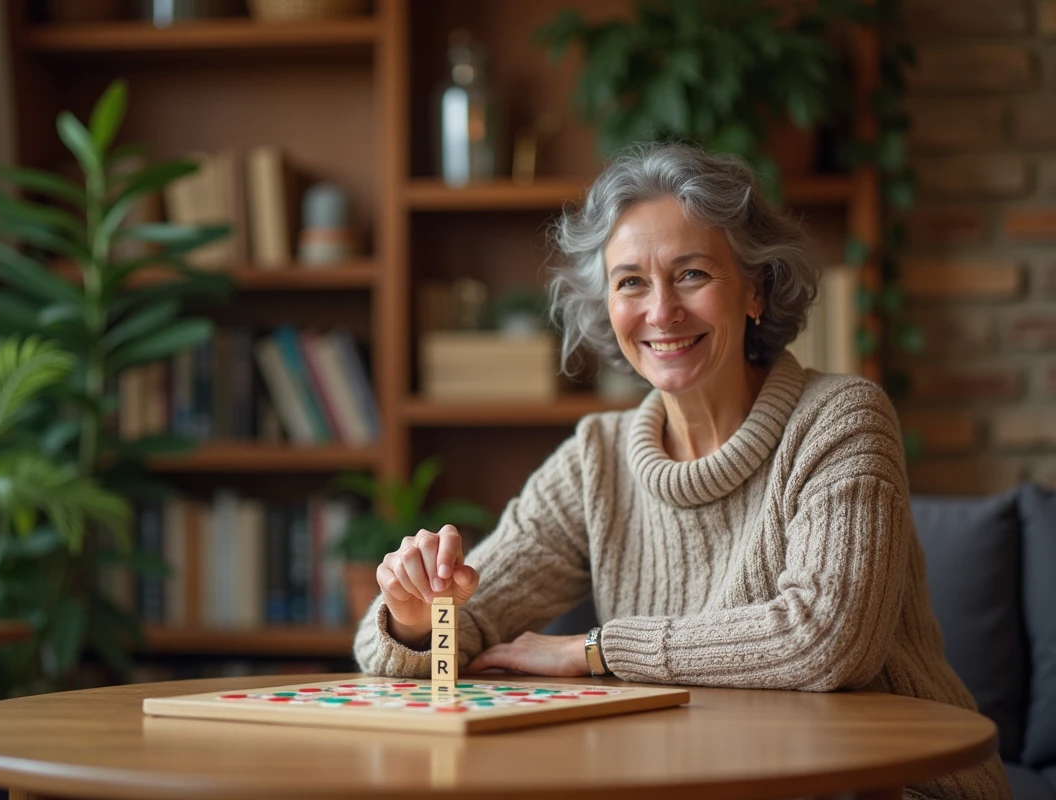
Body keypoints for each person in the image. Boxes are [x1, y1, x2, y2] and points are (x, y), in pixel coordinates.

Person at [352, 142, 1008, 800]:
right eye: (631, 281)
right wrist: (413, 618)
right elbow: (446, 636)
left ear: (755, 289)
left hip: (890, 784)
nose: (661, 311)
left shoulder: (840, 419)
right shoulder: (596, 459)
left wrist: (594, 651)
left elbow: (827, 639)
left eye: (691, 274)